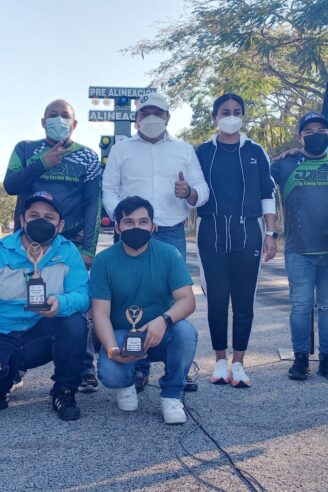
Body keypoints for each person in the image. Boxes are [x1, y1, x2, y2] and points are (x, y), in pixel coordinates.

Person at [102, 92, 208, 392]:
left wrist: (188, 192)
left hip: (170, 232)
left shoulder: (184, 150)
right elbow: (108, 189)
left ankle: (179, 366)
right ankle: (137, 366)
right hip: (131, 232)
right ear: (136, 117)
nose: (151, 118)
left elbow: (202, 189)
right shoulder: (122, 150)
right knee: (131, 296)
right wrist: (122, 219)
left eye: (157, 113)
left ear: (167, 117)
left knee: (174, 300)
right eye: (145, 113)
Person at [3, 99, 103, 393]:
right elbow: (10, 185)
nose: (58, 119)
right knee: (23, 295)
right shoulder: (25, 149)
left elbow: (93, 204)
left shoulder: (87, 156)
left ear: (74, 124)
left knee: (76, 301)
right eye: (53, 115)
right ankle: (17, 362)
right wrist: (42, 163)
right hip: (28, 239)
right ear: (43, 121)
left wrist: (89, 250)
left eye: (65, 116)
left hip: (70, 241)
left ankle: (84, 366)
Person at [0, 192, 90, 421]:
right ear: (23, 220)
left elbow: (83, 295)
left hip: (39, 335)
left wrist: (61, 303)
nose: (41, 221)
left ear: (60, 225)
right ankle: (4, 382)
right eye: (34, 215)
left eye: (49, 217)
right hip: (0, 334)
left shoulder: (68, 251)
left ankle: (64, 391)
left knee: (75, 323)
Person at [194, 93, 278, 387]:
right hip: (212, 230)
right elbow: (193, 192)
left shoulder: (255, 151)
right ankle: (218, 361)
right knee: (216, 299)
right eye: (225, 111)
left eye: (236, 111)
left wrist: (270, 234)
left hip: (248, 231)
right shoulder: (202, 152)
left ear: (243, 116)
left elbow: (268, 194)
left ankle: (239, 363)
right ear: (215, 117)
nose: (231, 115)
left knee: (244, 300)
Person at [92, 196, 198, 424]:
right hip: (122, 334)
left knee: (186, 333)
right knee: (110, 373)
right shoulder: (103, 261)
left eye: (143, 221)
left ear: (153, 226)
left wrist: (164, 320)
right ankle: (127, 382)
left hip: (160, 333)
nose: (136, 227)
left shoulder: (169, 254)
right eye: (128, 222)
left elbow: (187, 300)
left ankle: (171, 394)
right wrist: (111, 348)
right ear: (118, 227)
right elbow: (100, 313)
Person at [271, 111, 328, 383]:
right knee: (301, 307)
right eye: (309, 131)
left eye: (321, 130)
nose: (316, 134)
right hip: (299, 251)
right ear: (300, 136)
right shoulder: (285, 165)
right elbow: (257, 184)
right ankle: (300, 359)